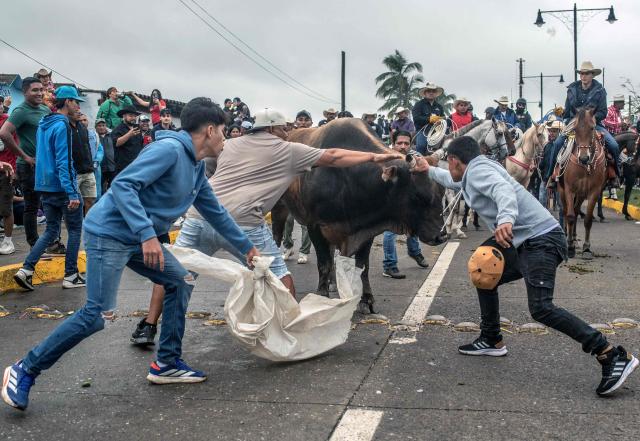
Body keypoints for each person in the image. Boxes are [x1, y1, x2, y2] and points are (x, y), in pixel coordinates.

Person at [2, 97, 261, 412]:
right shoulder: (168, 151)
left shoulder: (194, 166)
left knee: (180, 280)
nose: (225, 138)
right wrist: (147, 234)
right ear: (209, 130)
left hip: (136, 238)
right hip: (110, 233)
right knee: (95, 315)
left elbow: (216, 213)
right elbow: (124, 185)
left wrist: (246, 248)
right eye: (223, 130)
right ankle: (24, 369)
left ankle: (166, 363)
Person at [129, 108, 403, 345]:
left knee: (174, 273)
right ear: (273, 129)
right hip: (244, 224)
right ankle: (291, 331)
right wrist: (374, 158)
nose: (288, 132)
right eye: (284, 128)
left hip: (199, 217)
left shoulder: (229, 145)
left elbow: (200, 163)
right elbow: (332, 156)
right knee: (281, 278)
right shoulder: (289, 150)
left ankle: (148, 325)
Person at [412, 136, 638, 396]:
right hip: (526, 239)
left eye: (447, 163)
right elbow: (453, 180)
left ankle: (610, 354)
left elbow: (503, 191)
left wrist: (505, 219)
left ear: (454, 160)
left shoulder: (480, 172)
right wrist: (427, 169)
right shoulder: (476, 169)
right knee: (484, 270)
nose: (448, 167)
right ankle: (491, 338)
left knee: (541, 308)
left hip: (540, 239)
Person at [12, 86, 86, 293]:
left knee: (51, 230)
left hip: (44, 185)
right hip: (62, 187)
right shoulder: (62, 124)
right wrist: (72, 192)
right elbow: (63, 160)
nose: (77, 106)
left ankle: (26, 270)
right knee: (74, 230)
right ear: (68, 102)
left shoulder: (45, 122)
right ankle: (71, 275)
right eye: (76, 102)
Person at [546, 61, 621, 189]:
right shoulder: (571, 90)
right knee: (558, 143)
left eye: (586, 73)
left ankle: (614, 175)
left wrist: (590, 119)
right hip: (574, 124)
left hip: (593, 124)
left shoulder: (600, 91)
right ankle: (552, 176)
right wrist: (565, 115)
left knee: (613, 145)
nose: (583, 76)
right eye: (581, 73)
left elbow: (603, 111)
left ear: (592, 75)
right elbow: (568, 110)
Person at [0, 77, 50, 248]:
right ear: (25, 92)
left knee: (50, 203)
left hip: (46, 165)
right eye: (35, 90)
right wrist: (25, 156)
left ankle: (50, 240)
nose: (40, 93)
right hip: (28, 166)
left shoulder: (44, 109)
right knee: (32, 206)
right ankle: (34, 242)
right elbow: (5, 133)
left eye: (41, 89)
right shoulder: (21, 111)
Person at [382, 130, 428, 278]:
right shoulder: (385, 157)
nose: (403, 146)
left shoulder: (416, 157)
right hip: (390, 202)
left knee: (413, 227)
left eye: (406, 143)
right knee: (390, 232)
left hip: (410, 200)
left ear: (411, 144)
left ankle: (415, 252)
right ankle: (389, 266)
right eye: (399, 143)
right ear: (393, 144)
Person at [0, 97, 18, 254]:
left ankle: (8, 241)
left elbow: (16, 147)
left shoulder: (8, 122)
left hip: (6, 172)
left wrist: (15, 169)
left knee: (6, 207)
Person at [412, 82, 445, 154]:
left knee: (446, 145)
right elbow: (416, 118)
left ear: (436, 93)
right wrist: (429, 119)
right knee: (421, 146)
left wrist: (442, 120)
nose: (431, 93)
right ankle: (419, 161)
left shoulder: (439, 107)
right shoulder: (419, 104)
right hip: (422, 131)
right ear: (425, 93)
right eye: (429, 91)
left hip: (437, 132)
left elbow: (443, 118)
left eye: (433, 91)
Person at [111, 105, 144, 174]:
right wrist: (129, 134)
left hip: (136, 165)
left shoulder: (137, 129)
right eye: (131, 116)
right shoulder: (118, 129)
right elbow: (116, 143)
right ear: (124, 116)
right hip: (123, 167)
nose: (133, 118)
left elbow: (141, 145)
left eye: (135, 116)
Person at [96, 118, 116, 192]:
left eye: (103, 125)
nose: (101, 127)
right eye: (99, 126)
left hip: (112, 166)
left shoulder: (112, 135)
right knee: (100, 188)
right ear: (96, 127)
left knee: (112, 187)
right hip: (100, 168)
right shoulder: (94, 137)